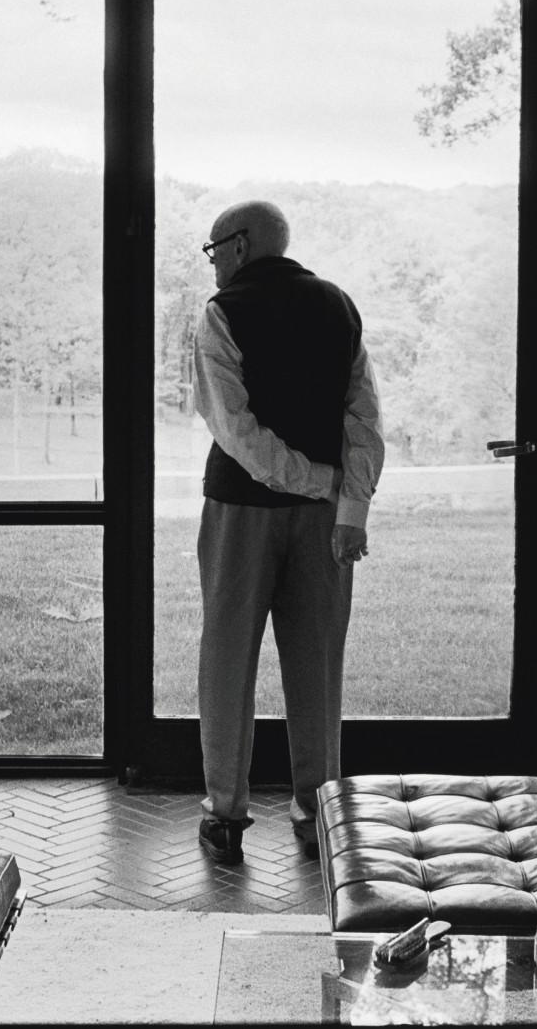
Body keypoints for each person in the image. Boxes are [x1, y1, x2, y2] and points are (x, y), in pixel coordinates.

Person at [190, 201, 384, 864]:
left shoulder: (223, 313)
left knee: (227, 662)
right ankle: (315, 816)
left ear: (241, 246)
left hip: (241, 510)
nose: (213, 261)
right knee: (317, 666)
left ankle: (225, 815)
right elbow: (364, 416)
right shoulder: (339, 306)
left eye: (214, 249)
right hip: (325, 517)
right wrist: (346, 502)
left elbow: (233, 427)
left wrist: (307, 480)